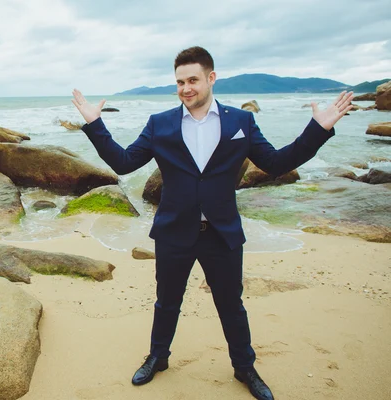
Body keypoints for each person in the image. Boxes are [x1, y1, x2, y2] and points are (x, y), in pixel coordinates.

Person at [71, 46, 353, 400]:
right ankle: (158, 357)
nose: (186, 88)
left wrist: (318, 129)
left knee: (231, 304)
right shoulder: (161, 124)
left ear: (211, 78)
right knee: (166, 301)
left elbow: (276, 163)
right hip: (174, 231)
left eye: (192, 80)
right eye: (179, 82)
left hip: (222, 232)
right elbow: (125, 163)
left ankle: (244, 367)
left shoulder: (241, 122)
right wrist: (94, 124)